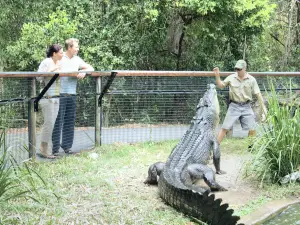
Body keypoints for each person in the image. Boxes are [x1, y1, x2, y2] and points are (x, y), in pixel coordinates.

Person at [52, 38, 94, 155]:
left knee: (70, 121)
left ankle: (67, 147)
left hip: (72, 93)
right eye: (76, 47)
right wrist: (71, 73)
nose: (78, 49)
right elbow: (51, 69)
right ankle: (54, 149)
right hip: (59, 93)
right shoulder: (60, 57)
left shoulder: (77, 59)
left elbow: (91, 68)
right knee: (58, 121)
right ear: (69, 48)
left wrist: (84, 72)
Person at [213, 59, 267, 144]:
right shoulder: (231, 77)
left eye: (239, 69)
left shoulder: (251, 80)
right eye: (236, 69)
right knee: (225, 127)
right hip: (234, 106)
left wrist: (264, 109)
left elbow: (258, 94)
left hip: (246, 106)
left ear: (245, 68)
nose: (237, 71)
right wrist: (217, 75)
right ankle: (215, 147)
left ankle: (251, 146)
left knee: (252, 128)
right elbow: (221, 85)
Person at [37, 44, 64, 158]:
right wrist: (53, 69)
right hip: (46, 97)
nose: (62, 54)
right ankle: (43, 150)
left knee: (51, 123)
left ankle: (45, 148)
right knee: (48, 123)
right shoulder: (46, 62)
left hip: (56, 97)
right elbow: (39, 77)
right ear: (54, 53)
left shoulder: (60, 63)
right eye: (61, 52)